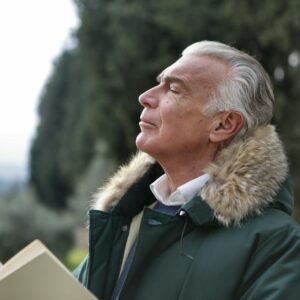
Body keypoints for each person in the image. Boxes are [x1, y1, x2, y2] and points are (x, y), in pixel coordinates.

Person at [74, 41, 300, 300]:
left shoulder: (277, 245)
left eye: (173, 89)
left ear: (224, 125)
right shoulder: (126, 218)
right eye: (159, 83)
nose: (145, 97)